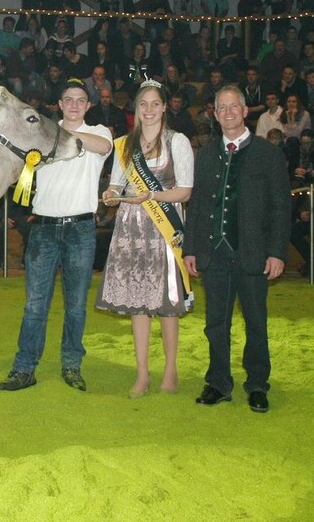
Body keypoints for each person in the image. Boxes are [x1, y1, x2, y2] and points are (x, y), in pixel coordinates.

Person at [0, 80, 113, 393]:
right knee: (35, 305)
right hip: (44, 229)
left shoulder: (99, 132)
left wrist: (53, 133)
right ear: (59, 104)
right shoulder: (41, 133)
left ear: (89, 106)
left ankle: (71, 364)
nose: (74, 105)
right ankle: (24, 368)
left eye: (80, 100)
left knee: (76, 305)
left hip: (81, 229)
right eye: (68, 100)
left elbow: (104, 149)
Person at [184, 85, 291, 414]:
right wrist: (192, 248)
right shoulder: (205, 155)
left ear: (246, 112)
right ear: (215, 115)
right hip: (214, 254)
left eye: (235, 107)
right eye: (222, 108)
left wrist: (277, 252)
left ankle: (258, 383)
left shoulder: (268, 153)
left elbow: (280, 207)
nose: (228, 112)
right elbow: (198, 207)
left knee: (256, 321)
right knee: (216, 322)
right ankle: (218, 381)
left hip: (254, 255)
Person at [97, 82, 194, 397]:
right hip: (132, 230)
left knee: (167, 304)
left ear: (165, 107)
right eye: (143, 104)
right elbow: (116, 185)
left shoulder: (177, 141)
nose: (149, 110)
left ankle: (170, 370)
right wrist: (110, 195)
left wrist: (152, 194)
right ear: (135, 109)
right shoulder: (123, 145)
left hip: (164, 226)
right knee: (139, 303)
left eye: (155, 104)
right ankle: (141, 374)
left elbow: (185, 190)